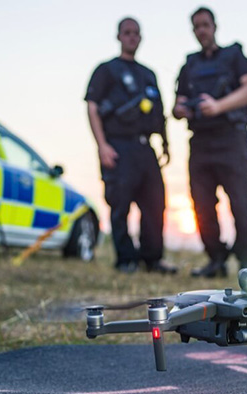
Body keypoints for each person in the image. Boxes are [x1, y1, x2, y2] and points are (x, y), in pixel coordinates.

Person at [172, 7, 247, 278]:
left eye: (205, 25)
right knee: (201, 204)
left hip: (231, 139)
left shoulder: (234, 56)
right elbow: (176, 106)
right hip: (200, 142)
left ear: (214, 26)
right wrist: (183, 109)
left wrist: (218, 106)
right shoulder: (189, 65)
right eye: (196, 26)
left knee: (240, 202)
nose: (202, 31)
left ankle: (246, 260)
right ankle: (216, 259)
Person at [85, 17, 176, 274]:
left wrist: (165, 143)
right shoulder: (106, 70)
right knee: (120, 204)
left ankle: (152, 258)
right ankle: (126, 259)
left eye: (136, 33)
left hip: (145, 148)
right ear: (118, 36)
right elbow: (92, 108)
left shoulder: (148, 74)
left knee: (155, 204)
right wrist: (102, 145)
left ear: (141, 37)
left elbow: (159, 113)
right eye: (127, 33)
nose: (132, 37)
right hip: (118, 146)